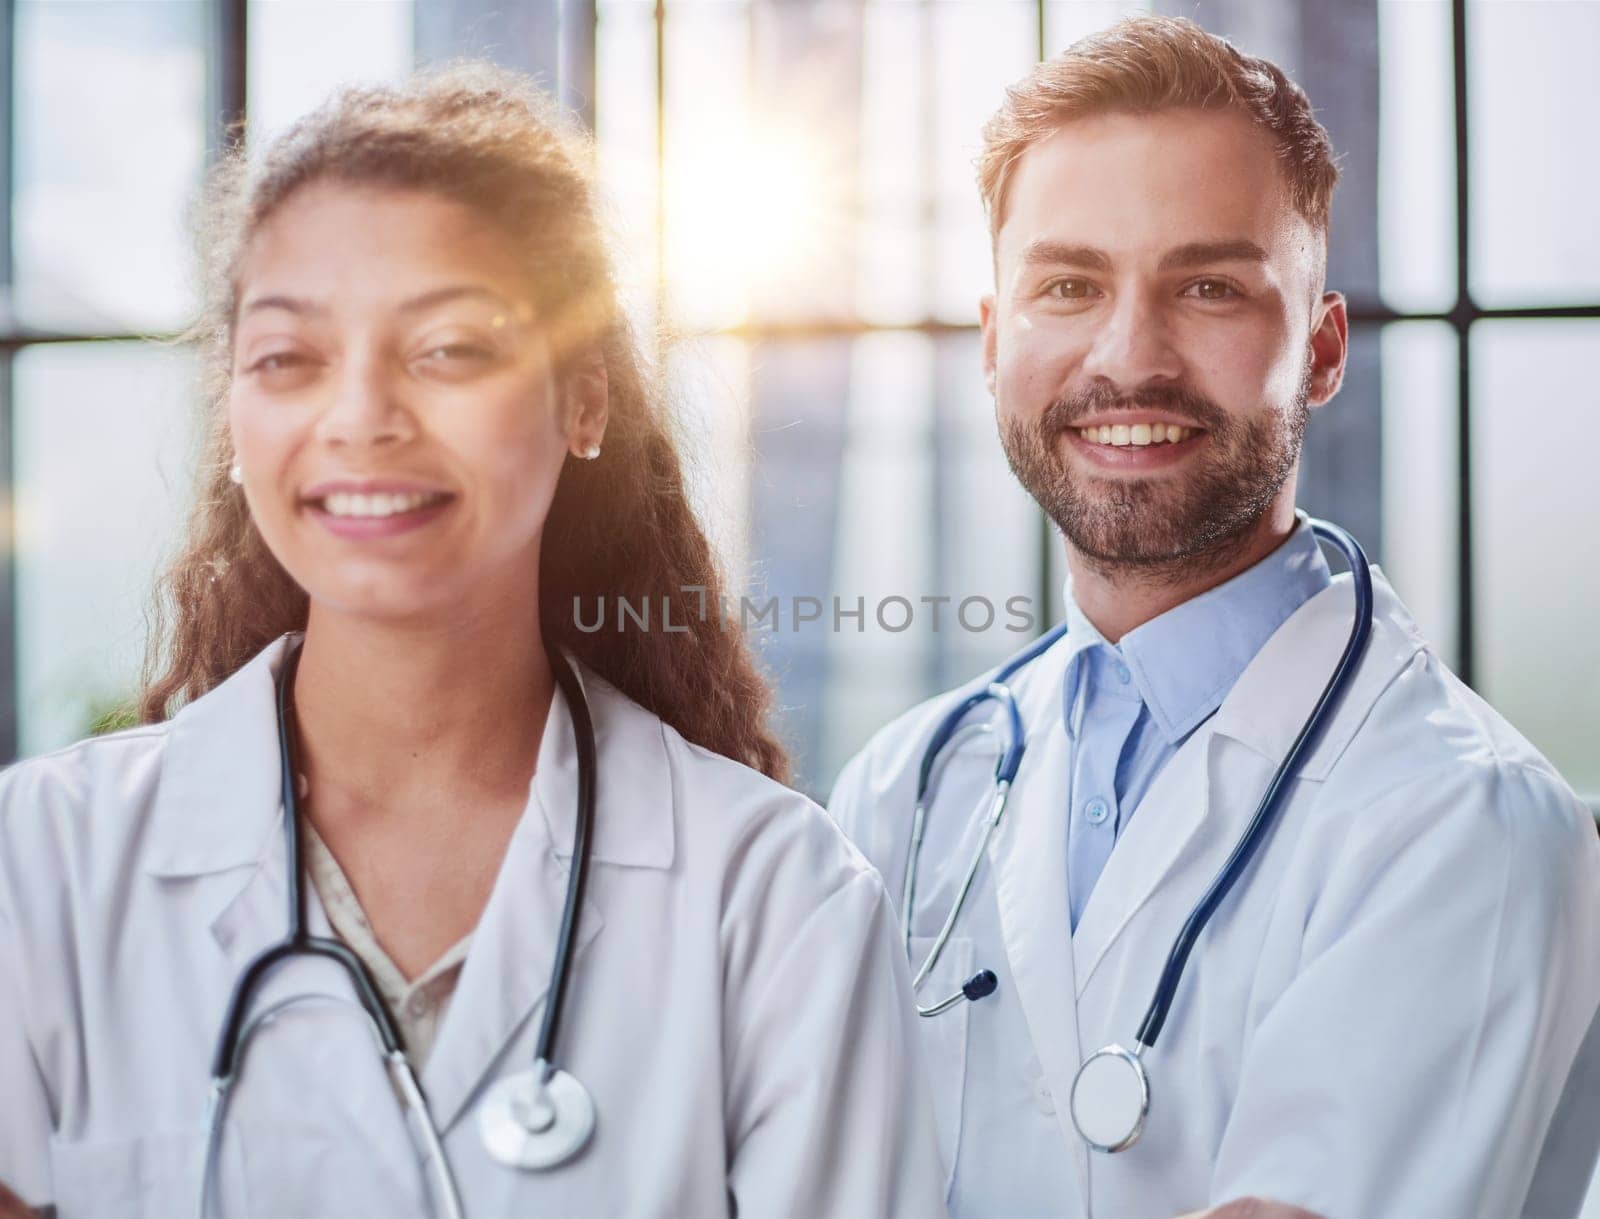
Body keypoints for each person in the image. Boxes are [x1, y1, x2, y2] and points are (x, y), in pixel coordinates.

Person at [0, 65, 945, 1218]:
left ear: (582, 402)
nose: (361, 418)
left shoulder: (773, 896)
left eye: (446, 349)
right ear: (235, 415)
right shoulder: (42, 865)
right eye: (289, 359)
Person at [828, 16, 1600, 1219]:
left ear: (1323, 348)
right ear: (992, 343)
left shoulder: (1465, 823)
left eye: (1207, 287)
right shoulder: (907, 789)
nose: (1129, 356)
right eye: (1068, 285)